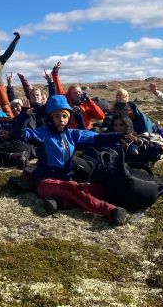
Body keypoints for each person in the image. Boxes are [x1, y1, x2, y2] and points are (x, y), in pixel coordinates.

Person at [21, 95, 133, 225]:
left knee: (99, 188)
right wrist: (23, 116)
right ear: (50, 117)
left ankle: (60, 202)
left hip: (67, 179)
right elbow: (22, 134)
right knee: (72, 188)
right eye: (57, 116)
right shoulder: (42, 133)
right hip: (45, 182)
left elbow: (97, 137)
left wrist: (120, 136)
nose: (61, 120)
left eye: (64, 116)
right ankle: (111, 211)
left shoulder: (72, 134)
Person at [51, 62, 105, 130]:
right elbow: (59, 88)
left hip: (86, 132)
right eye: (75, 93)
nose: (78, 94)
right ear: (70, 95)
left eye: (79, 92)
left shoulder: (86, 105)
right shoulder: (66, 103)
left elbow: (101, 116)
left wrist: (89, 102)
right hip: (72, 132)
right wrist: (55, 73)